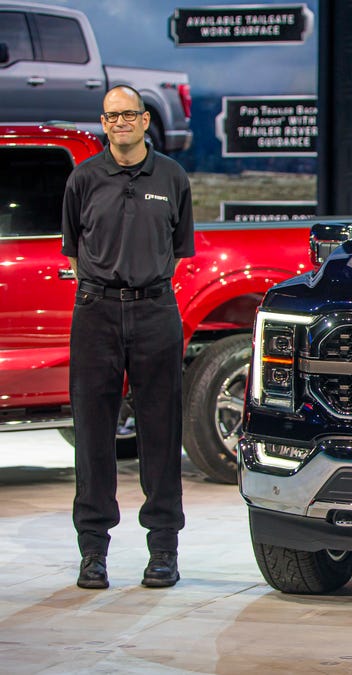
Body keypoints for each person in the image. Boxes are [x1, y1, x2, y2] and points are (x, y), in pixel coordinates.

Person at [62, 85, 194, 589]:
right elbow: (73, 250)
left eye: (129, 114)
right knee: (93, 436)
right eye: (112, 115)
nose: (120, 122)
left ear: (144, 121)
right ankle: (92, 552)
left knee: (160, 433)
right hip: (95, 313)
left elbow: (178, 249)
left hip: (155, 311)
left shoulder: (172, 176)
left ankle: (163, 550)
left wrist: (140, 284)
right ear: (104, 122)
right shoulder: (84, 178)